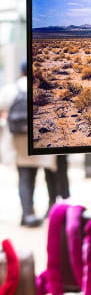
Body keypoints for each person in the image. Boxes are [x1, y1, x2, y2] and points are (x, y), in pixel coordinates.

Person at [0, 60, 57, 227]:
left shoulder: (10, 89)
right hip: (42, 141)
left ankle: (28, 214)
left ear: (21, 71)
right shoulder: (44, 87)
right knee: (50, 177)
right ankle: (52, 212)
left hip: (19, 144)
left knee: (25, 178)